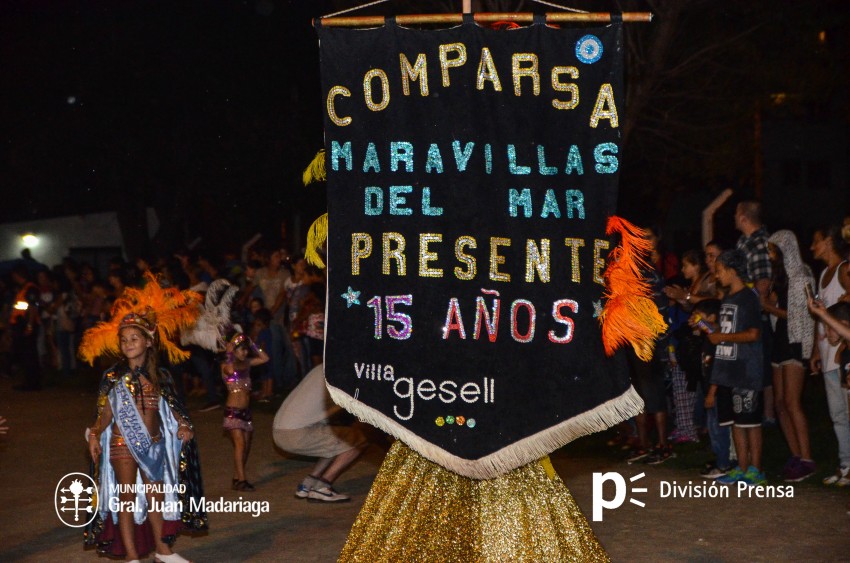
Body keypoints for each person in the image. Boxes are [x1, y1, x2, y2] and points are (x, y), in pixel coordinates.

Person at [80, 275, 207, 563]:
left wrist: (184, 424)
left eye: (134, 338)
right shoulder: (113, 376)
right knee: (126, 499)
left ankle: (163, 550)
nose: (128, 344)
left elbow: (173, 407)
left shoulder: (161, 376)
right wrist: (94, 433)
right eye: (124, 340)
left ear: (149, 341)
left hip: (154, 444)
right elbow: (104, 413)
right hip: (122, 444)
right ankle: (132, 556)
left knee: (155, 497)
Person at [707, 250, 766, 487]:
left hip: (747, 369)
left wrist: (721, 336)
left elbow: (753, 333)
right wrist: (708, 327)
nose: (716, 275)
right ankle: (741, 468)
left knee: (750, 422)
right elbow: (728, 329)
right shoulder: (728, 298)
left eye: (719, 270)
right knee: (736, 423)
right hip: (730, 370)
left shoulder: (748, 297)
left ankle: (756, 470)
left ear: (732, 271)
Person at [763, 230, 817, 481]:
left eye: (772, 250)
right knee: (780, 402)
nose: (770, 255)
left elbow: (801, 315)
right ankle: (796, 455)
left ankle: (807, 458)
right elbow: (780, 309)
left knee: (792, 402)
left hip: (795, 342)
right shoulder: (781, 276)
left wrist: (768, 307)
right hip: (780, 340)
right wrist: (770, 299)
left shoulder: (801, 275)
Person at [273, 365, 369, 502]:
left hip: (280, 430)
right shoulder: (343, 372)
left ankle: (309, 483)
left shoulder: (322, 367)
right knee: (359, 440)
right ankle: (322, 487)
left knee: (335, 440)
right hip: (296, 433)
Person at [810, 225, 850, 486]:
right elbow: (820, 315)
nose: (812, 247)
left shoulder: (843, 270)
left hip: (843, 352)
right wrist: (816, 349)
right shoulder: (824, 273)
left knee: (847, 412)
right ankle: (845, 464)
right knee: (837, 415)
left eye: (816, 241)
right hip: (827, 353)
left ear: (828, 241)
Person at [734, 201, 775, 424]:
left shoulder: (760, 243)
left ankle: (766, 414)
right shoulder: (743, 242)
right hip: (743, 312)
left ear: (744, 218)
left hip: (756, 316)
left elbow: (763, 284)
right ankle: (749, 410)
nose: (733, 217)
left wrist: (749, 306)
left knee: (761, 365)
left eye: (736, 213)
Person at [690, 299, 733, 479]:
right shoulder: (707, 338)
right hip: (709, 389)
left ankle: (724, 464)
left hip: (716, 391)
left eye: (699, 315)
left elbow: (719, 367)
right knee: (713, 428)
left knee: (718, 429)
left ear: (713, 317)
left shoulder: (717, 337)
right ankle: (720, 461)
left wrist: (711, 393)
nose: (694, 318)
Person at [221, 330, 269, 491]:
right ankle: (242, 480)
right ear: (234, 350)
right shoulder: (226, 365)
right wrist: (229, 353)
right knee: (240, 444)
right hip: (233, 412)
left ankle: (236, 477)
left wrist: (252, 343)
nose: (245, 352)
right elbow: (229, 371)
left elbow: (265, 358)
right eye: (242, 349)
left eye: (246, 350)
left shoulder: (247, 364)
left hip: (246, 412)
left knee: (246, 447)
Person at [9, 264, 41, 391]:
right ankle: (29, 382)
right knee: (26, 355)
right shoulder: (23, 288)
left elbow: (33, 307)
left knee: (29, 355)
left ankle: (32, 383)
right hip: (21, 324)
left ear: (18, 275)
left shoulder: (30, 288)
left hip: (26, 324)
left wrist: (29, 325)